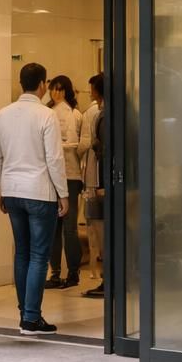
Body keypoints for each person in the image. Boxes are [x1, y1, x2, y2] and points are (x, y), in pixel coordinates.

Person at [0, 62, 67, 336]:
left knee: (21, 252)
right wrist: (63, 193)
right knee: (38, 255)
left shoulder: (3, 114)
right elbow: (54, 159)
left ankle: (25, 312)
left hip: (12, 191)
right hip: (39, 191)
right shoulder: (46, 115)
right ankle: (32, 318)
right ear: (43, 84)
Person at [45, 74, 84, 290]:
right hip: (51, 176)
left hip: (71, 175)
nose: (56, 93)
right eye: (53, 89)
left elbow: (78, 145)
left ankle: (73, 272)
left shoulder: (75, 114)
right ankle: (56, 273)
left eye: (60, 89)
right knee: (53, 227)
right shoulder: (47, 112)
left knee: (69, 227)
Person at [79, 73, 106, 299]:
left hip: (99, 182)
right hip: (97, 180)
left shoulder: (101, 115)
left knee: (101, 231)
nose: (90, 93)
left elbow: (100, 150)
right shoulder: (100, 113)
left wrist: (101, 183)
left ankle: (108, 279)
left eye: (92, 89)